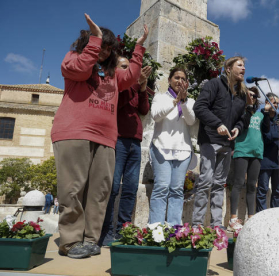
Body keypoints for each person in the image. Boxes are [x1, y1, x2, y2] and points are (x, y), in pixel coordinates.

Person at [51, 13, 148, 259]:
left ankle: (91, 240)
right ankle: (71, 242)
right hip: (74, 133)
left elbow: (132, 77)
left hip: (106, 138)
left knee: (100, 192)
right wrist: (95, 39)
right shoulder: (73, 59)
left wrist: (139, 47)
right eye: (100, 46)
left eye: (107, 48)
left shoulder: (113, 75)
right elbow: (83, 70)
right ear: (89, 44)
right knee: (72, 189)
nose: (104, 51)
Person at [192, 56, 254, 228]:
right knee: (205, 182)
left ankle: (216, 227)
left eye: (244, 66)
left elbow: (242, 119)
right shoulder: (214, 85)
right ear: (228, 68)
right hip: (210, 141)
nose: (243, 69)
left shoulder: (242, 95)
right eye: (239, 65)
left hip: (227, 145)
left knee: (219, 185)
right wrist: (217, 123)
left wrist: (238, 128)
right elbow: (199, 107)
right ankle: (197, 226)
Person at [99, 57, 153, 246]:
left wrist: (143, 88)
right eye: (124, 67)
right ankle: (105, 231)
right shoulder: (115, 85)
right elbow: (119, 103)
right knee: (113, 188)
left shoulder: (134, 87)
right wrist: (135, 85)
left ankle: (123, 230)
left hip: (135, 142)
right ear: (115, 70)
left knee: (130, 189)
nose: (128, 71)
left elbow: (144, 110)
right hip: (118, 140)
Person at [148, 67, 196, 226]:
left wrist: (183, 101)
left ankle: (174, 228)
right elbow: (156, 115)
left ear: (187, 83)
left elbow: (190, 121)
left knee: (176, 190)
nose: (179, 81)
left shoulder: (190, 101)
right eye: (176, 77)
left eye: (183, 78)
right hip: (161, 148)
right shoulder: (160, 98)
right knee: (161, 188)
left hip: (183, 151)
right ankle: (156, 228)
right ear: (169, 80)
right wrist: (175, 101)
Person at [227, 87, 270, 231]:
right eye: (250, 94)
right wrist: (249, 110)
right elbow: (242, 124)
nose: (252, 97)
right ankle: (233, 218)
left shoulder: (260, 115)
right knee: (238, 183)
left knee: (252, 185)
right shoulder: (239, 111)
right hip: (242, 150)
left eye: (255, 96)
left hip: (257, 152)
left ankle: (251, 217)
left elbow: (267, 129)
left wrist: (267, 112)